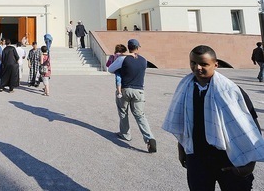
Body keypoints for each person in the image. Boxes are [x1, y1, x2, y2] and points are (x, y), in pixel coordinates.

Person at [162, 45, 264, 191]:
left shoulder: (231, 91)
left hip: (228, 159)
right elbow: (185, 124)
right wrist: (182, 149)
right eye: (193, 63)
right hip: (197, 158)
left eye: (204, 64)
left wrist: (249, 164)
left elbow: (250, 126)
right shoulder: (186, 87)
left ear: (215, 64)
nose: (197, 67)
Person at [108, 39, 156, 153]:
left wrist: (122, 57)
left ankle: (126, 134)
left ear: (128, 47)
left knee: (123, 112)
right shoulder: (144, 60)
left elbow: (110, 69)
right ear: (138, 48)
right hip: (139, 90)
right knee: (140, 115)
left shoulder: (123, 59)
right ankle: (149, 138)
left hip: (125, 89)